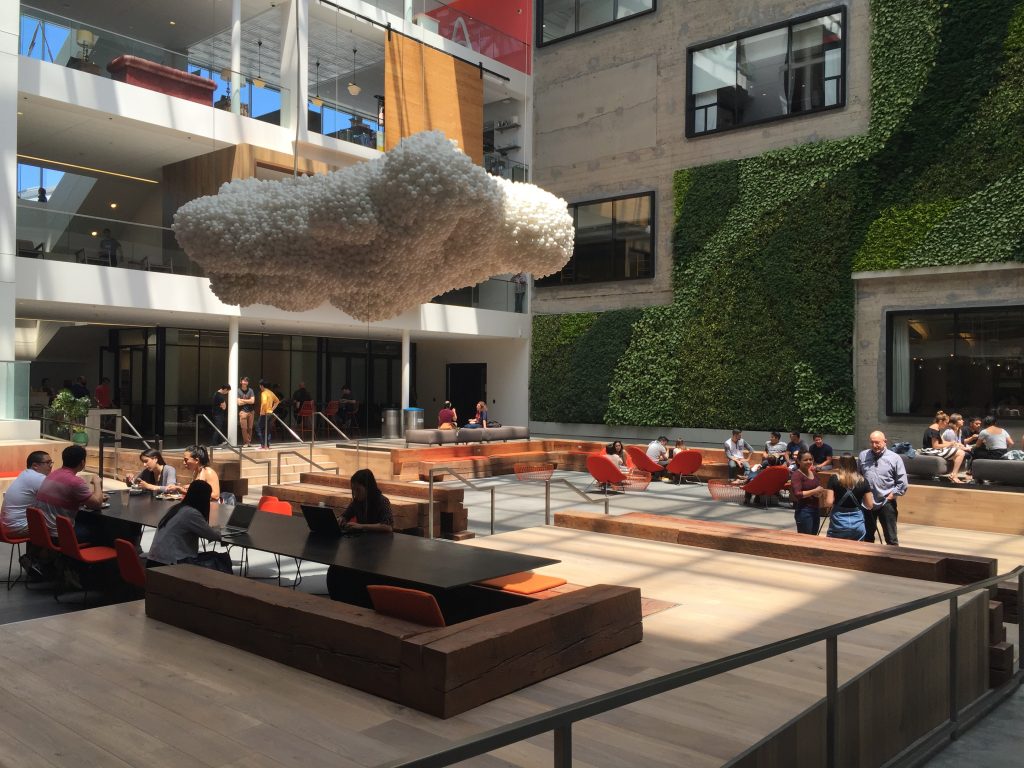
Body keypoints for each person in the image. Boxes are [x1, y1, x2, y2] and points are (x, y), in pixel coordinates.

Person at [34, 444, 105, 539]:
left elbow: (66, 496)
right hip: (60, 535)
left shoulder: (53, 474)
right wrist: (97, 482)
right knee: (103, 530)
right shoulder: (75, 481)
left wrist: (91, 496)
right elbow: (97, 504)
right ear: (82, 462)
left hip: (44, 531)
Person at [146, 481, 222, 567]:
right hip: (170, 564)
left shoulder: (177, 509)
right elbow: (214, 536)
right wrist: (218, 529)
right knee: (219, 561)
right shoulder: (191, 513)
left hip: (154, 560)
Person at [858, 431, 908, 545]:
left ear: (885, 442)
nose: (875, 446)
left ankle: (893, 561)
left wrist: (891, 496)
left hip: (886, 502)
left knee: (891, 538)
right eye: (872, 443)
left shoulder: (895, 458)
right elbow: (858, 476)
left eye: (877, 443)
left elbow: (902, 482)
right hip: (867, 503)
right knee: (867, 536)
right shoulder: (863, 455)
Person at [1, 451, 53, 537]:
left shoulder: (25, 474)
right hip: (17, 527)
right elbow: (60, 497)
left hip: (6, 526)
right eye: (47, 463)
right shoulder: (38, 478)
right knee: (57, 527)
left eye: (51, 462)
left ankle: (35, 551)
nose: (50, 466)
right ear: (35, 466)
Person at [824, 455, 874, 541]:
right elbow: (869, 505)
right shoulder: (863, 480)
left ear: (840, 464)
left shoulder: (834, 479)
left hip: (838, 522)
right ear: (855, 464)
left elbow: (829, 502)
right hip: (857, 523)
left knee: (835, 549)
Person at [920, 410, 968, 483]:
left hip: (931, 449)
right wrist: (950, 444)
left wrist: (952, 443)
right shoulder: (934, 429)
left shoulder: (936, 428)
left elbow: (942, 442)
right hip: (930, 450)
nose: (946, 424)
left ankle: (953, 473)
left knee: (956, 450)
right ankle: (954, 475)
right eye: (946, 422)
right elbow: (935, 446)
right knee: (960, 453)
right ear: (940, 421)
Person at [790, 451, 825, 535]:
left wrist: (819, 493)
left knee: (814, 538)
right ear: (798, 461)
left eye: (810, 459)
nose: (809, 461)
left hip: (816, 510)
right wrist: (814, 491)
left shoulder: (814, 473)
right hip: (804, 511)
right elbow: (798, 494)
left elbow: (818, 489)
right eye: (805, 460)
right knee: (806, 540)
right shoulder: (796, 475)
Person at [256, 379, 281, 449]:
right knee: (267, 429)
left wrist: (261, 411)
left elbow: (264, 402)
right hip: (270, 413)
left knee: (259, 428)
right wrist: (272, 409)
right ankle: (267, 444)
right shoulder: (271, 392)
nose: (260, 387)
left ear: (262, 386)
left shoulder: (263, 393)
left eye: (260, 386)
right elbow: (277, 401)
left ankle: (263, 444)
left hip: (264, 413)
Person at [237, 376, 256, 448]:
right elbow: (238, 403)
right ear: (241, 382)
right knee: (244, 428)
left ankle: (249, 442)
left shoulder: (250, 390)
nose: (245, 382)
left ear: (248, 383)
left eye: (246, 381)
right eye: (244, 381)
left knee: (250, 428)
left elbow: (253, 401)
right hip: (243, 412)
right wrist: (248, 401)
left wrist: (243, 400)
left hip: (251, 412)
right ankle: (246, 442)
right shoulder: (238, 391)